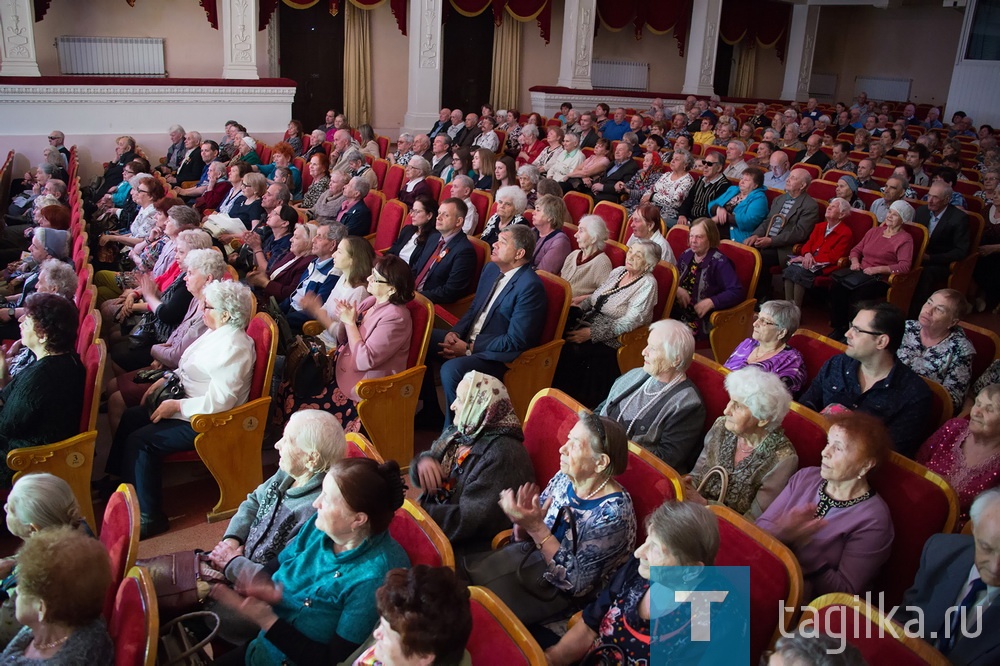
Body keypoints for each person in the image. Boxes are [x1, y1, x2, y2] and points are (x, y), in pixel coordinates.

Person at [210, 458, 410, 665]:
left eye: (328, 499)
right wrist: (262, 584)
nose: (316, 503)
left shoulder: (374, 578)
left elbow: (330, 659)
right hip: (262, 648)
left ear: (358, 519)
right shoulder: (319, 528)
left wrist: (267, 620)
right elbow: (276, 565)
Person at [107, 281, 256, 537]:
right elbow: (188, 366)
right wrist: (162, 381)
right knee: (131, 418)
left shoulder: (234, 346)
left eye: (207, 306)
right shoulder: (216, 331)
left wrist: (176, 405)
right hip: (188, 402)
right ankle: (120, 482)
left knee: (141, 442)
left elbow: (221, 402)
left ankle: (150, 516)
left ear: (226, 314)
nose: (201, 308)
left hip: (209, 419)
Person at [205, 411, 346, 643]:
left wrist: (232, 563)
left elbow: (283, 578)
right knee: (177, 575)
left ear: (311, 459)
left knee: (198, 608)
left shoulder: (316, 510)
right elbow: (253, 502)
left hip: (261, 597)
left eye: (288, 440)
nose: (277, 444)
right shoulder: (288, 473)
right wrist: (233, 539)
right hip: (237, 562)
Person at [544, 501, 721, 666]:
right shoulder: (640, 568)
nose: (638, 553)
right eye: (647, 540)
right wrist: (550, 659)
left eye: (656, 549)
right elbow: (590, 626)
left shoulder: (705, 620)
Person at [498, 411, 636, 618]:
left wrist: (535, 527)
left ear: (600, 462)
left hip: (564, 603)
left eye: (574, 445)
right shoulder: (566, 477)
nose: (562, 448)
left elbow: (575, 585)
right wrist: (522, 522)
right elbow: (533, 529)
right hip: (531, 570)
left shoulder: (614, 515)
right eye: (567, 440)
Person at [757, 412, 894, 599]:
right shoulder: (806, 477)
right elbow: (758, 529)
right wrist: (782, 529)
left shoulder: (873, 520)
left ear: (865, 464)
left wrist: (805, 548)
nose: (824, 452)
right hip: (762, 572)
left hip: (802, 603)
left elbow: (843, 593)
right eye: (828, 442)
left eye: (838, 448)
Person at [426, 225, 546, 427]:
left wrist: (468, 348)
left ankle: (452, 431)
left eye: (502, 242)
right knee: (424, 338)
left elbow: (515, 340)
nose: (494, 244)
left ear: (519, 253)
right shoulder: (491, 269)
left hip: (494, 355)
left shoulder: (530, 286)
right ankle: (429, 412)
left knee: (451, 370)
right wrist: (454, 333)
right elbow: (474, 309)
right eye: (496, 239)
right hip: (468, 339)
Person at [281, 255, 413, 432]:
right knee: (291, 384)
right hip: (341, 369)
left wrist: (350, 323)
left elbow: (365, 360)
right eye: (371, 274)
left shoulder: (396, 318)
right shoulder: (371, 301)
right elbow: (344, 339)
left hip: (363, 387)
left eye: (375, 278)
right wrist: (345, 319)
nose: (368, 279)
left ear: (391, 289)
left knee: (299, 403)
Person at [105, 247, 226, 435]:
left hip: (179, 376)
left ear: (208, 279)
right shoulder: (197, 299)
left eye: (191, 273)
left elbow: (179, 356)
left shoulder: (210, 310)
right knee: (114, 385)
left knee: (116, 399)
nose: (185, 277)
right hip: (171, 364)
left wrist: (157, 352)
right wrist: (162, 352)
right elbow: (178, 333)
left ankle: (123, 440)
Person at [411, 371, 534, 554]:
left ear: (480, 405)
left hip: (469, 548)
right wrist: (423, 462)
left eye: (460, 400)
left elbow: (471, 521)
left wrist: (421, 514)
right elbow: (427, 461)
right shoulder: (463, 431)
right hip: (440, 521)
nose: (452, 406)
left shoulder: (504, 455)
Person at [800, 301, 933, 458]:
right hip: (812, 449)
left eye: (857, 330)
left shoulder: (914, 395)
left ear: (881, 341)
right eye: (851, 326)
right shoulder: (837, 364)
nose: (847, 334)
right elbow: (805, 409)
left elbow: (891, 456)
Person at [899, 487, 1000, 664]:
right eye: (986, 548)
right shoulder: (940, 552)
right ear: (974, 529)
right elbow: (904, 619)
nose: (995, 567)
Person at [553, 241, 659, 408]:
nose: (630, 256)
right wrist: (578, 307)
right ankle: (552, 393)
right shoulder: (619, 271)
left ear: (649, 264)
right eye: (631, 251)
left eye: (638, 256)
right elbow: (596, 297)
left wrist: (592, 333)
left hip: (617, 337)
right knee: (557, 334)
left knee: (571, 349)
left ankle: (573, 403)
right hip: (589, 320)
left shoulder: (647, 284)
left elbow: (631, 321)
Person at [684, 366, 797, 518]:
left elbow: (755, 520)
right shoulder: (722, 426)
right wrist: (687, 487)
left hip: (727, 530)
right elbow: (697, 475)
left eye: (737, 406)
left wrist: (706, 505)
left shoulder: (782, 458)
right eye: (730, 401)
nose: (726, 411)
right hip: (694, 512)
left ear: (763, 419)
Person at [0, 294, 84, 488]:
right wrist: (3, 375)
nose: (20, 322)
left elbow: (6, 427)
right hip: (27, 442)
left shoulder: (42, 376)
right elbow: (8, 396)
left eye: (27, 322)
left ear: (43, 334)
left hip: (27, 458)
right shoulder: (59, 359)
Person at [598, 320, 704, 471]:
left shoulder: (688, 404)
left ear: (676, 360)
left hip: (631, 471)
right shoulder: (636, 374)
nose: (644, 351)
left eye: (653, 349)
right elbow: (602, 408)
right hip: (601, 458)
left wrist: (608, 455)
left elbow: (665, 459)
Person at [0, 474, 90, 648]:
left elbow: (4, 632)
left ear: (32, 528)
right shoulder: (79, 527)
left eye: (10, 509)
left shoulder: (32, 582)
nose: (4, 507)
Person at [0, 527, 112, 664]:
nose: (16, 590)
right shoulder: (71, 619)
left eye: (22, 589)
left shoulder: (66, 660)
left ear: (41, 609)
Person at [341, 566, 473, 666]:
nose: (376, 634)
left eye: (386, 633)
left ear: (424, 656)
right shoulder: (399, 628)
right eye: (381, 624)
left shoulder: (408, 634)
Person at [828, 200, 915, 338]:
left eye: (895, 214)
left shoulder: (905, 239)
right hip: (860, 273)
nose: (890, 216)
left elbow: (904, 266)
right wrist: (855, 261)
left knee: (859, 294)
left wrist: (878, 269)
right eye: (889, 212)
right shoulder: (874, 231)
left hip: (880, 279)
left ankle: (855, 331)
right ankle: (840, 327)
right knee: (838, 286)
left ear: (903, 219)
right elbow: (856, 250)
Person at [919, 384, 1000, 529]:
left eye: (989, 409)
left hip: (954, 533)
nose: (976, 412)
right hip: (915, 506)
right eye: (978, 403)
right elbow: (916, 466)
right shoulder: (953, 428)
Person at [744, 168, 819, 299]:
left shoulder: (810, 206)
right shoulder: (780, 199)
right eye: (789, 176)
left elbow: (799, 233)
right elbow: (767, 221)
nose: (788, 179)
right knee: (746, 250)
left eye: (793, 178)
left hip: (785, 248)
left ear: (802, 186)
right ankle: (746, 291)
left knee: (761, 257)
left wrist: (772, 241)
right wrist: (755, 235)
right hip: (767, 239)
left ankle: (762, 296)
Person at [897, 289, 975, 412]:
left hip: (920, 408)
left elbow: (953, 400)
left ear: (952, 322)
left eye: (939, 309)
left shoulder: (960, 349)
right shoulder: (905, 327)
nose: (928, 310)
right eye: (929, 302)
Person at [672, 217, 743, 339]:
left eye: (699, 237)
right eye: (691, 236)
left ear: (710, 238)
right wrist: (677, 289)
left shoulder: (720, 262)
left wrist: (712, 301)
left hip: (701, 320)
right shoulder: (686, 255)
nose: (693, 241)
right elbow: (674, 278)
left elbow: (737, 291)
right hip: (678, 313)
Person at [782, 197, 855, 308]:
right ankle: (787, 308)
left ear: (841, 215)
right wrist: (806, 254)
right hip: (809, 260)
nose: (829, 207)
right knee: (790, 269)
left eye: (833, 206)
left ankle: (795, 312)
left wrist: (811, 260)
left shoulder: (845, 233)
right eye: (829, 205)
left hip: (826, 266)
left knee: (800, 272)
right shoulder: (819, 226)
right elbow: (809, 243)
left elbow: (834, 256)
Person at [723, 300, 808, 396]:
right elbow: (722, 373)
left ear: (781, 332)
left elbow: (771, 401)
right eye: (758, 317)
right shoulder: (748, 344)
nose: (755, 324)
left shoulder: (791, 361)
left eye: (764, 321)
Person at [707, 167, 768, 243]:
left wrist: (724, 217)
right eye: (741, 178)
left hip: (734, 235)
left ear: (755, 185)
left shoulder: (759, 198)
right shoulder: (733, 190)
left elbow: (749, 221)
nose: (742, 182)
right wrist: (718, 209)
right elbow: (711, 204)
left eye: (746, 180)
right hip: (715, 228)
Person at [560, 215, 612, 300]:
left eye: (581, 231)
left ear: (593, 238)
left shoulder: (602, 263)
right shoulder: (573, 255)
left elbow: (605, 296)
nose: (575, 235)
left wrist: (584, 298)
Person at [642, 150, 694, 222]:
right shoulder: (666, 175)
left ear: (685, 164)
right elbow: (651, 190)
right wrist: (645, 199)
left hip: (669, 213)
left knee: (646, 219)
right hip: (652, 207)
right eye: (672, 158)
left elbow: (675, 202)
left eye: (677, 159)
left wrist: (652, 197)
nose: (672, 161)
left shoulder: (687, 180)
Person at [531, 194, 573, 274]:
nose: (533, 212)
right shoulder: (532, 231)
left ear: (550, 216)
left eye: (538, 210)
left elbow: (543, 274)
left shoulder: (560, 242)